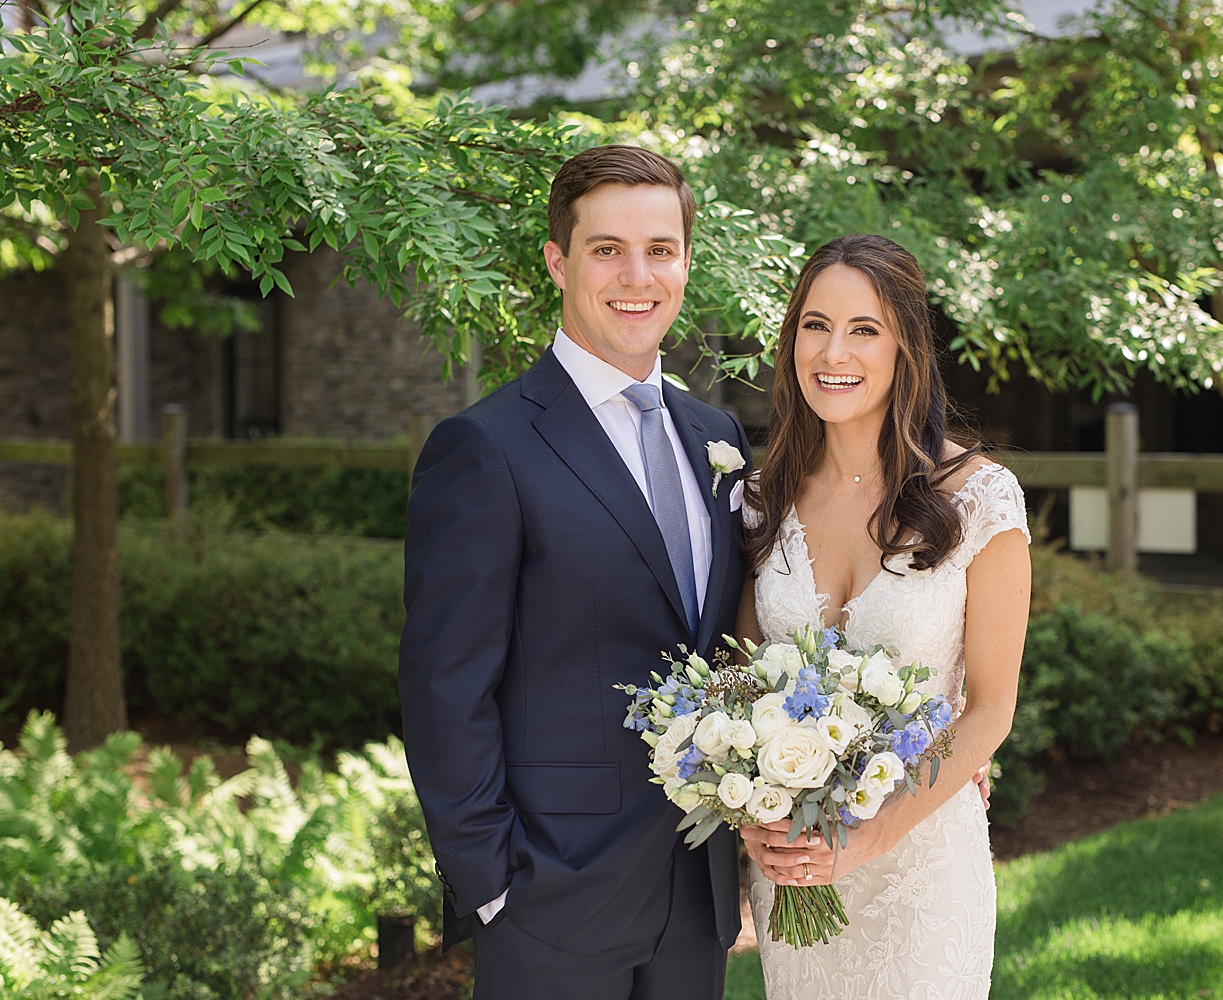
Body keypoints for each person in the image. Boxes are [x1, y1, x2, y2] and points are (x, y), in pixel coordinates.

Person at [398, 145, 751, 1000]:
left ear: (685, 262)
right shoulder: (486, 448)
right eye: (607, 249)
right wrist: (493, 886)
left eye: (660, 249)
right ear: (558, 261)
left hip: (697, 891)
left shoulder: (719, 435)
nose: (638, 275)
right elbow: (446, 687)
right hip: (550, 902)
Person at [735, 234, 1031, 999]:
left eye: (864, 329)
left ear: (906, 348)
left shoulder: (980, 499)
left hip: (921, 866)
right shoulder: (765, 497)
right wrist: (746, 811)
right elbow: (736, 683)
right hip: (795, 869)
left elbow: (992, 709)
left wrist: (869, 838)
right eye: (814, 324)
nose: (834, 351)